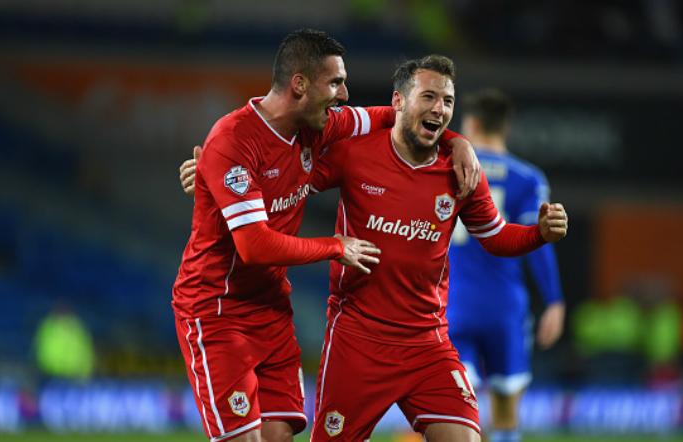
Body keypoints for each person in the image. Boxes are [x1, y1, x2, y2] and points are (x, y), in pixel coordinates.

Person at [173, 29, 480, 442]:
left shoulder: (319, 128)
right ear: (300, 84)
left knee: (279, 434)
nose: (344, 93)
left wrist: (459, 143)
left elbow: (397, 115)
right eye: (335, 82)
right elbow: (254, 245)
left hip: (272, 308)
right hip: (217, 311)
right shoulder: (233, 141)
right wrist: (336, 246)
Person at [307, 55, 568, 441]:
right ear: (398, 101)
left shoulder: (461, 170)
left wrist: (538, 234)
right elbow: (294, 183)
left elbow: (495, 237)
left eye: (447, 101)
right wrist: (225, 183)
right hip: (358, 341)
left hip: (426, 342)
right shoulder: (356, 154)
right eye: (429, 96)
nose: (440, 108)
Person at [446, 89, 565, 442]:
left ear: (473, 123)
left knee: (454, 410)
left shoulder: (448, 168)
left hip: (453, 304)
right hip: (505, 307)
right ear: (505, 126)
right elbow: (540, 242)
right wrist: (554, 301)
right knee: (506, 413)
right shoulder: (527, 178)